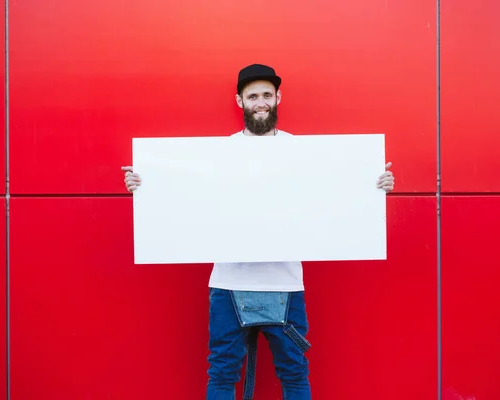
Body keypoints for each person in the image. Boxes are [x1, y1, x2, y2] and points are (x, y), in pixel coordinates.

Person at [121, 64, 395, 400]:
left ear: (278, 97)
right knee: (222, 374)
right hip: (228, 285)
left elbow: (335, 193)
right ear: (240, 101)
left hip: (286, 284)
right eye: (253, 96)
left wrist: (374, 185)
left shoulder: (304, 152)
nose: (260, 101)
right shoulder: (218, 155)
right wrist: (144, 186)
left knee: (294, 374)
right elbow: (184, 194)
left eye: (267, 94)